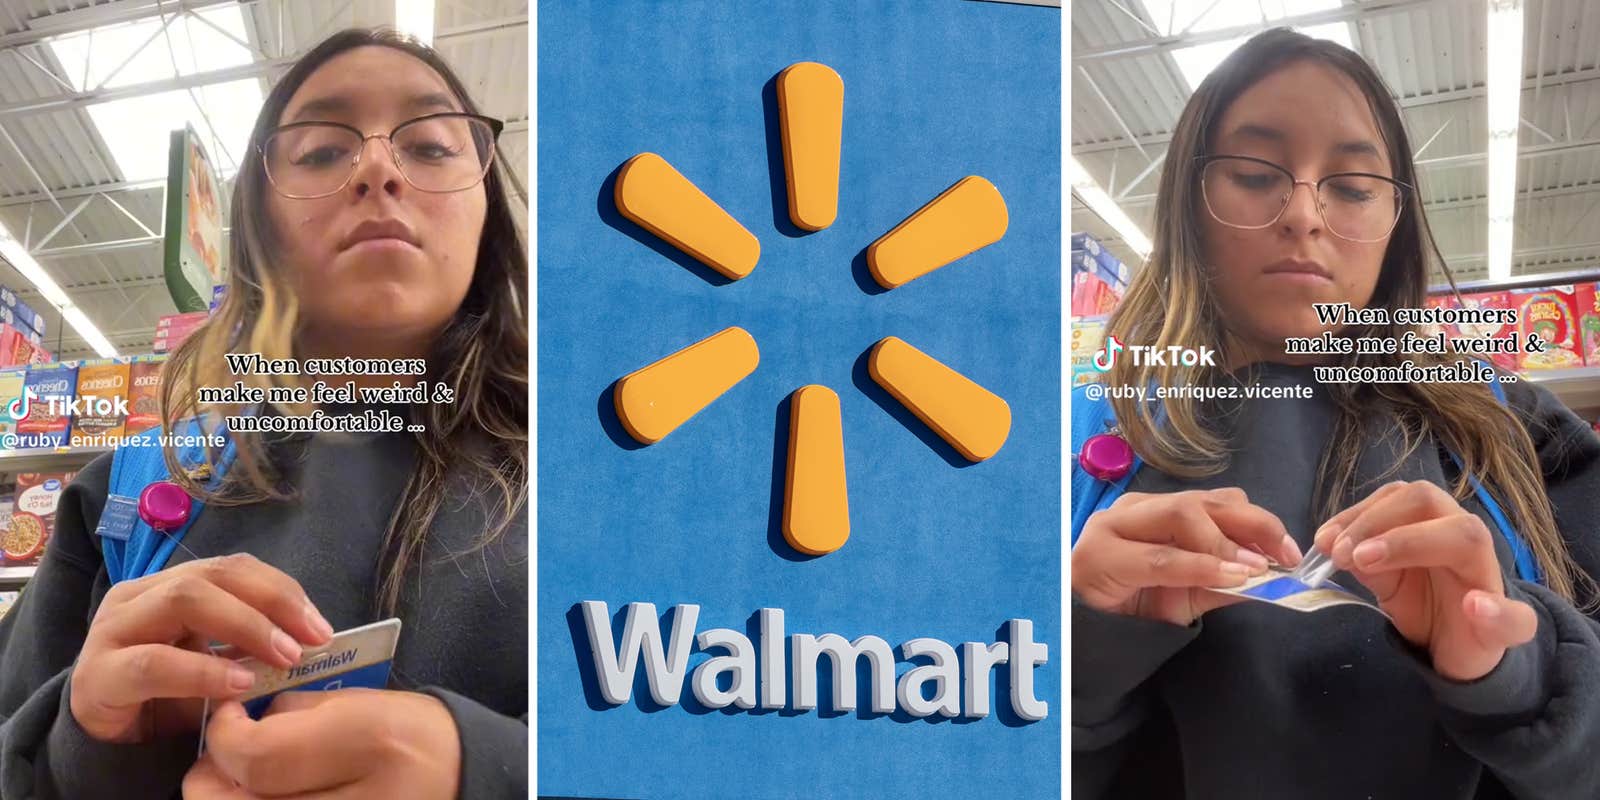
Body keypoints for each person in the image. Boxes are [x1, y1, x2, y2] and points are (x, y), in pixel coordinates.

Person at [1070, 28, 1600, 800]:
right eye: (1255, 175)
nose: (1305, 215)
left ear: (1395, 222)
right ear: (1188, 200)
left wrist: (1522, 672)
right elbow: (922, 746)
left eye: (1352, 188)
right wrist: (1072, 653)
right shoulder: (1074, 444)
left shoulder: (1517, 431)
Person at [0, 28, 528, 799]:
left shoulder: (623, 473)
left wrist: (499, 770)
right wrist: (92, 739)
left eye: (432, 145)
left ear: (486, 207)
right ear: (258, 227)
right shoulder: (126, 494)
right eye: (320, 151)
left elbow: (747, 738)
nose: (379, 169)